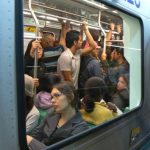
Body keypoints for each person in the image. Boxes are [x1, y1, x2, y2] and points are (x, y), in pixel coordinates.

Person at [27, 81, 89, 150]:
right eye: (52, 97)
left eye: (57, 95)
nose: (52, 100)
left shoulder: (81, 127)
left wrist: (31, 141)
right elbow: (37, 133)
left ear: (70, 97)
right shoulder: (52, 112)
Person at [57, 21, 96, 89]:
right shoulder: (65, 56)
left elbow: (93, 46)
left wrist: (85, 29)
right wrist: (75, 94)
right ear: (75, 42)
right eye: (80, 40)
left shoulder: (77, 52)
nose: (81, 42)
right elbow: (68, 80)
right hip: (66, 91)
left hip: (73, 89)